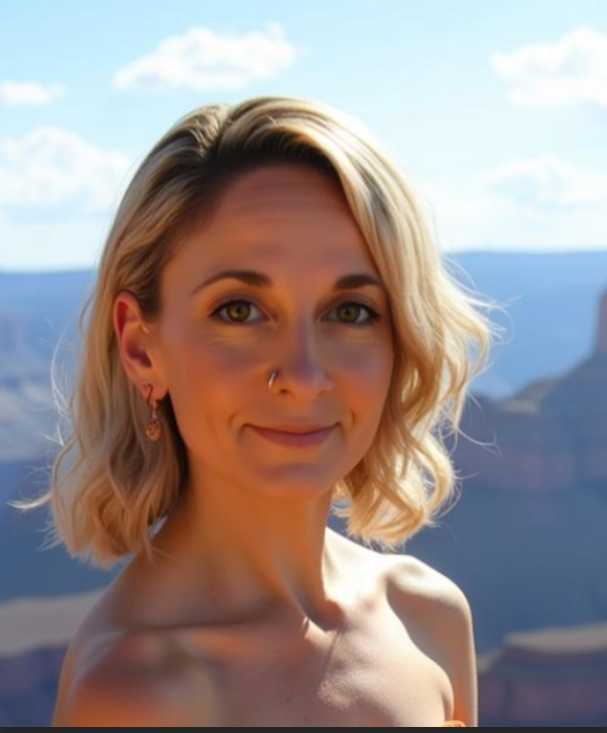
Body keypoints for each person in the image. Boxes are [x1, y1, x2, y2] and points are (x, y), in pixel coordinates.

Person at [24, 95, 502, 726]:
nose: (303, 377)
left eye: (350, 312)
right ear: (142, 349)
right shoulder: (136, 694)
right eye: (239, 310)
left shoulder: (427, 615)